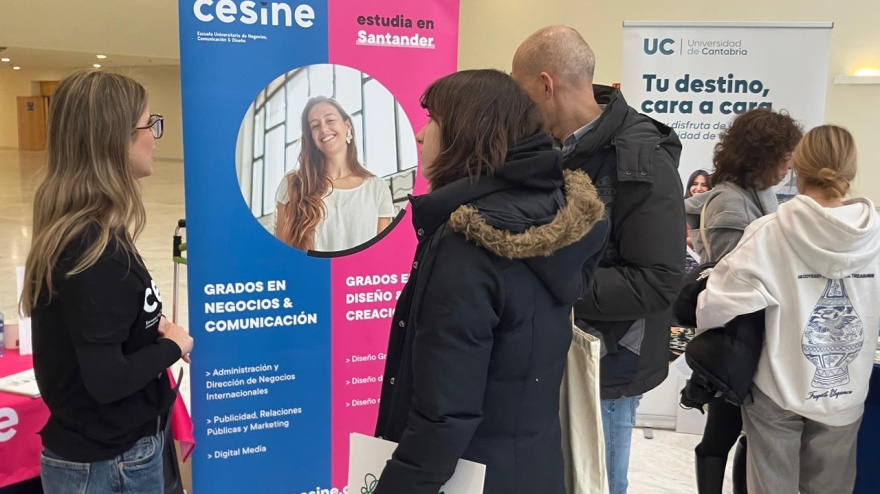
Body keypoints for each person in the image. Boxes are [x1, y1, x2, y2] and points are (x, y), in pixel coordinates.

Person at [373, 69, 609, 494]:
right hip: (531, 467)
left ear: (466, 133)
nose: (421, 136)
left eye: (433, 122)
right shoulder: (549, 209)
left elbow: (445, 415)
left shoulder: (468, 242)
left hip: (468, 477)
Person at [512, 26, 685, 494]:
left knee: (597, 482)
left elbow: (658, 279)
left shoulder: (641, 156)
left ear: (546, 85)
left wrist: (548, 285)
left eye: (521, 91)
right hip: (546, 351)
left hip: (606, 364)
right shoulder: (542, 148)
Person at [20, 70, 194, 493]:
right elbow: (108, 380)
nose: (156, 136)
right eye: (149, 125)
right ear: (114, 140)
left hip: (115, 451)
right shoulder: (90, 250)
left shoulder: (96, 230)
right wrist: (174, 345)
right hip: (107, 465)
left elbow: (110, 329)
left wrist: (156, 331)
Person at [696, 125, 879, 494]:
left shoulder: (771, 231)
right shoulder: (875, 235)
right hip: (846, 393)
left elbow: (715, 304)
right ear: (851, 170)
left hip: (778, 388)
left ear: (797, 167)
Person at [686, 108, 803, 494]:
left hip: (753, 337)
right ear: (763, 156)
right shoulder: (729, 204)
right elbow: (731, 281)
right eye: (784, 159)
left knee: (745, 438)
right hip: (736, 339)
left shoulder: (759, 194)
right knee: (722, 433)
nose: (788, 168)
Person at [275, 96, 395, 252]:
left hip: (358, 276)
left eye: (330, 120)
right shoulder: (294, 183)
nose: (324, 129)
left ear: (347, 126)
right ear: (311, 137)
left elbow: (382, 253)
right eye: (315, 126)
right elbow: (281, 254)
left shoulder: (377, 188)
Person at [684, 169, 713, 256]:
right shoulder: (679, 209)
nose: (699, 188)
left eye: (704, 185)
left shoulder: (713, 209)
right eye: (695, 184)